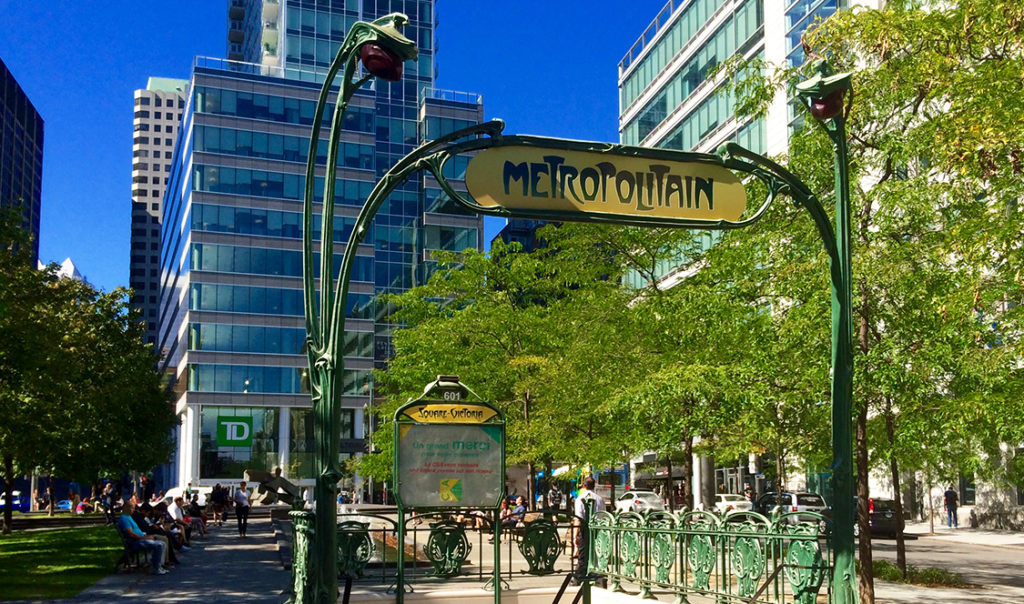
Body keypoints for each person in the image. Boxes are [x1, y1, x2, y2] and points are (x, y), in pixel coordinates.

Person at [117, 500, 170, 575]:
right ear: (125, 507)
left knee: (162, 543)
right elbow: (131, 534)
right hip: (135, 542)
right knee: (159, 545)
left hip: (140, 538)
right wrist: (145, 538)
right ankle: (156, 568)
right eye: (131, 507)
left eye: (133, 508)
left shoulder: (129, 517)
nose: (132, 510)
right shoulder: (124, 519)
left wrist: (146, 536)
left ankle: (158, 566)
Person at [571, 475, 606, 586]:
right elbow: (603, 515)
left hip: (585, 530)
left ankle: (578, 577)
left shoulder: (580, 498)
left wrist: (575, 535)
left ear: (584, 486)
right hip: (598, 529)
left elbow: (578, 518)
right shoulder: (600, 499)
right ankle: (598, 577)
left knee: (583, 554)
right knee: (596, 554)